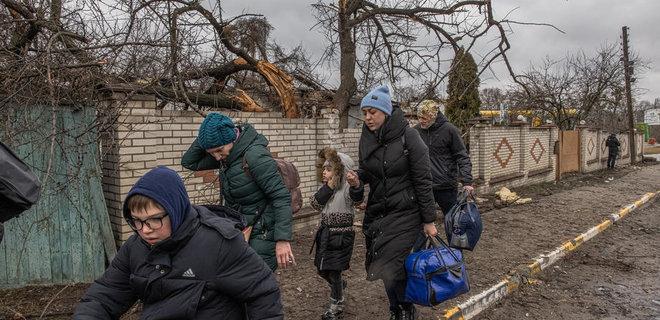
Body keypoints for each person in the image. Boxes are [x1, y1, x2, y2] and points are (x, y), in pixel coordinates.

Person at [73, 166, 283, 319]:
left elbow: (263, 293)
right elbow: (103, 297)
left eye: (155, 220)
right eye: (137, 221)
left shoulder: (218, 244)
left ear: (175, 211)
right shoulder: (135, 247)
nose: (145, 230)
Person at [345, 85, 437, 320]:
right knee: (384, 268)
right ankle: (396, 308)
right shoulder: (367, 138)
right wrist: (357, 179)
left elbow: (423, 180)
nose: (367, 117)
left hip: (407, 214)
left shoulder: (410, 137)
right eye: (364, 112)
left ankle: (405, 310)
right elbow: (367, 171)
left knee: (394, 266)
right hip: (379, 214)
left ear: (385, 112)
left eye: (372, 112)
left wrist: (429, 220)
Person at [181, 113, 295, 271]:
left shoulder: (255, 157)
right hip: (241, 228)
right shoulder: (228, 156)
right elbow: (189, 161)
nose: (216, 157)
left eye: (219, 150)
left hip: (263, 233)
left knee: (255, 285)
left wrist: (282, 240)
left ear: (232, 138)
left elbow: (281, 197)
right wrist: (206, 136)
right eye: (211, 153)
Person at [310, 147, 363, 320]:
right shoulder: (326, 188)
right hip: (325, 235)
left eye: (329, 169)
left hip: (341, 238)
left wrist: (355, 185)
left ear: (340, 171)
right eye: (323, 169)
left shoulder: (347, 188)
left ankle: (336, 305)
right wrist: (328, 188)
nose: (324, 172)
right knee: (321, 270)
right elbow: (315, 204)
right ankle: (339, 285)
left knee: (333, 272)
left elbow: (357, 198)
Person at [413, 100, 474, 216]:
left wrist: (467, 181)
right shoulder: (416, 131)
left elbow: (462, 156)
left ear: (433, 116)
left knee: (453, 221)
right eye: (419, 117)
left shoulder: (449, 130)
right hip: (423, 186)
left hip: (446, 187)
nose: (421, 120)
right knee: (419, 222)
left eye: (424, 118)